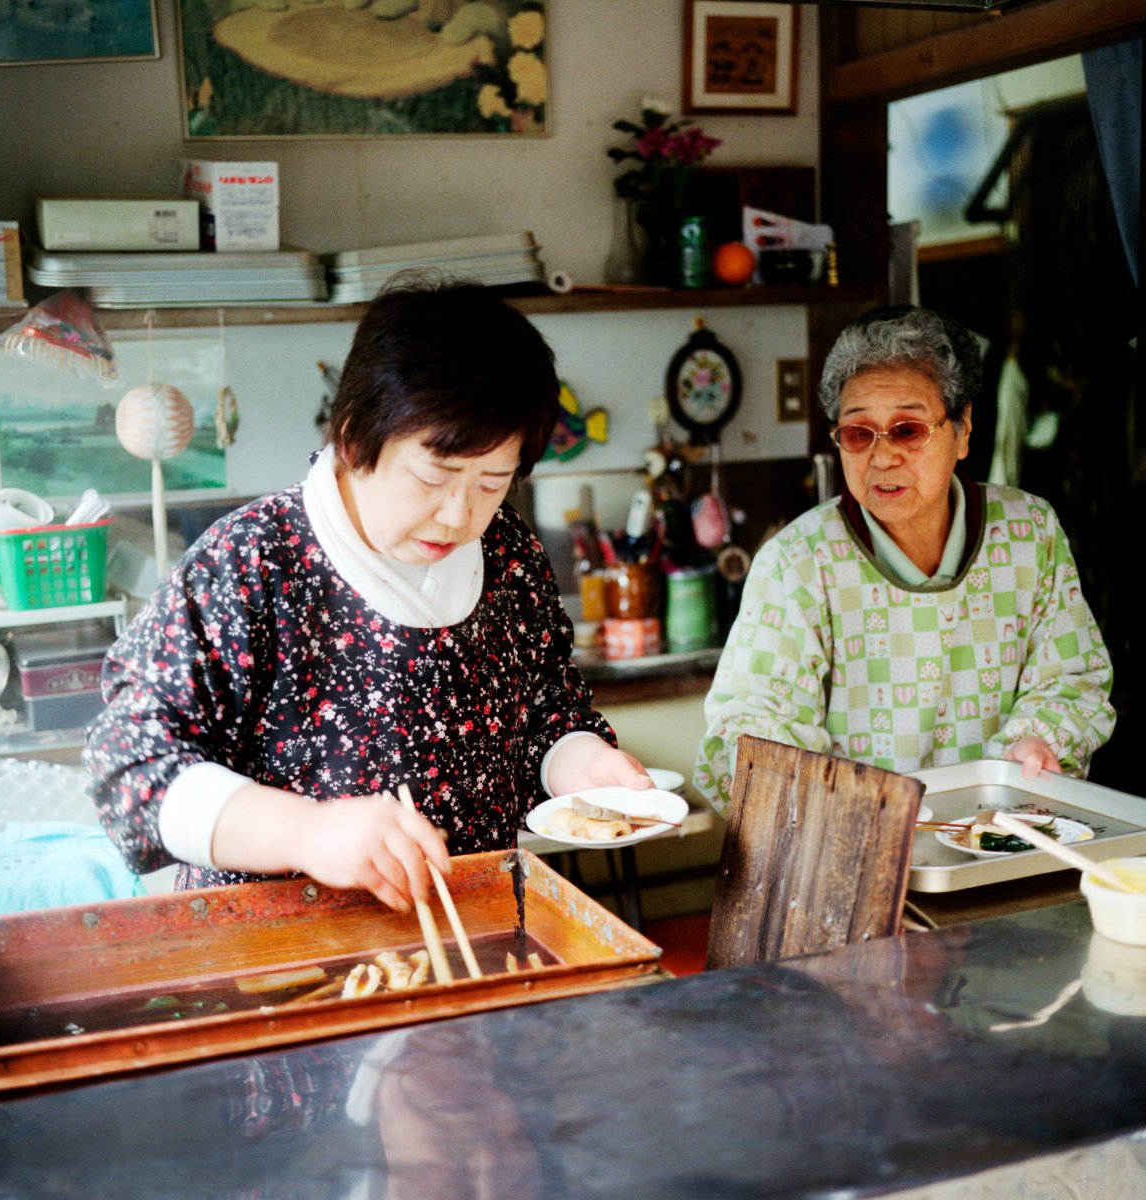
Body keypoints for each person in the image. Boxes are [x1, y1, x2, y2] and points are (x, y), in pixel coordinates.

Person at [85, 279, 648, 910]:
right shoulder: (252, 561)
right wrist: (305, 831)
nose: (459, 516)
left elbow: (544, 705)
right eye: (433, 477)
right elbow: (127, 769)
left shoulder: (507, 553)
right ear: (355, 441)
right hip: (278, 963)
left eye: (493, 482)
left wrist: (580, 763)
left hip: (472, 935)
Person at [694, 305, 1115, 816]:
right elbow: (753, 719)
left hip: (1002, 835)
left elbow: (1070, 678)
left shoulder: (1029, 533)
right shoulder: (797, 561)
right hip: (851, 848)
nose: (882, 456)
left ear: (962, 430)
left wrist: (1039, 743)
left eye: (908, 430)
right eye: (858, 433)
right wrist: (827, 800)